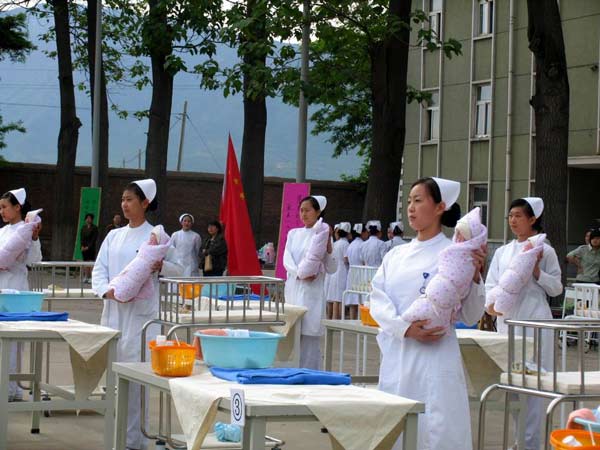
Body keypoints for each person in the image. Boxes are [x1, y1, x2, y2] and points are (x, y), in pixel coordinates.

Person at [370, 177, 486, 450]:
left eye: (418, 200)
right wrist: (405, 329)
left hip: (436, 356)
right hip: (399, 352)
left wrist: (476, 277)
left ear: (440, 207)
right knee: (397, 424)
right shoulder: (395, 255)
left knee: (436, 427)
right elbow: (377, 298)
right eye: (409, 201)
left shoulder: (454, 254)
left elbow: (470, 315)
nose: (410, 208)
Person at [92, 179, 182, 450]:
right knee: (114, 378)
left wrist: (161, 265)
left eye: (130, 199)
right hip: (114, 311)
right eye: (123, 199)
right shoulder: (113, 236)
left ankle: (136, 440)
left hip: (140, 317)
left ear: (145, 203)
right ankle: (118, 437)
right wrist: (105, 291)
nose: (124, 204)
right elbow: (99, 268)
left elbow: (181, 269)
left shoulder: (156, 237)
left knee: (136, 379)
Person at [486, 197, 563, 450]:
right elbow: (491, 284)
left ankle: (532, 444)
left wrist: (537, 271)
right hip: (508, 323)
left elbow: (556, 288)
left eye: (518, 216)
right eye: (510, 216)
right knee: (513, 385)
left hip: (536, 322)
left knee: (535, 385)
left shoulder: (545, 251)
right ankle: (520, 440)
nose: (513, 220)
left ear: (532, 219)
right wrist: (490, 306)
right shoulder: (502, 252)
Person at [283, 195, 336, 369]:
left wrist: (329, 248)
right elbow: (287, 259)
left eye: (308, 210)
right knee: (292, 334)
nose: (303, 214)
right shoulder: (293, 234)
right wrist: (299, 274)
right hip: (294, 286)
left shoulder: (322, 234)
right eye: (301, 210)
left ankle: (310, 372)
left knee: (309, 337)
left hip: (312, 291)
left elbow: (332, 268)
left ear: (318, 212)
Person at [0, 188, 42, 402]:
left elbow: (33, 260)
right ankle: (9, 387)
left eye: (5, 207)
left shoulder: (26, 230)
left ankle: (11, 389)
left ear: (18, 207)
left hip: (16, 287)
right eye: (0, 208)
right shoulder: (2, 232)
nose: (1, 211)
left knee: (14, 342)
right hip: (2, 285)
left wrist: (34, 238)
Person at [326, 222, 351, 320]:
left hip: (335, 269)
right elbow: (345, 258)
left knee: (334, 296)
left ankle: (331, 317)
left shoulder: (335, 243)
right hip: (342, 270)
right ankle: (338, 319)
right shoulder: (346, 244)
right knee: (340, 297)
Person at [344, 224, 365, 319]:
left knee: (352, 298)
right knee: (361, 298)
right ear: (362, 233)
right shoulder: (362, 245)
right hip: (361, 272)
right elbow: (363, 260)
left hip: (351, 272)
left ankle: (352, 319)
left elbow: (346, 259)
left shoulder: (351, 245)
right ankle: (360, 320)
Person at [80, 213, 98, 283]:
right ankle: (86, 276)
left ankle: (91, 277)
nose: (88, 220)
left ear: (92, 219)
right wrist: (82, 246)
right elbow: (81, 238)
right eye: (87, 218)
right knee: (85, 263)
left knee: (91, 263)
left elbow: (94, 239)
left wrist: (88, 247)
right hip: (84, 248)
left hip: (91, 248)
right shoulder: (83, 228)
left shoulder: (94, 228)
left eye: (90, 218)